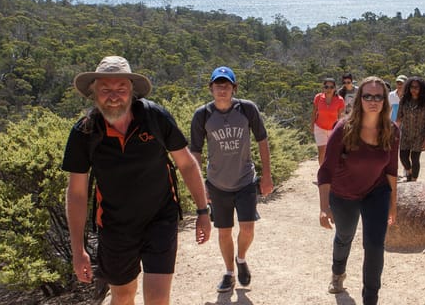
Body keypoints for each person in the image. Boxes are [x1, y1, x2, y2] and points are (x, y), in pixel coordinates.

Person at [62, 56, 212, 305]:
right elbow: (77, 193)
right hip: (114, 226)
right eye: (105, 89)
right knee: (122, 296)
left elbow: (186, 164)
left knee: (157, 298)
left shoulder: (154, 118)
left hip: (159, 219)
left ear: (131, 92)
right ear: (94, 93)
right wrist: (78, 250)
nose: (114, 96)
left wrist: (203, 211)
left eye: (121, 88)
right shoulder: (84, 133)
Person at [190, 66, 275, 293]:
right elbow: (195, 153)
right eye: (218, 85)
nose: (222, 89)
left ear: (233, 88)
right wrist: (200, 187)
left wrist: (267, 175)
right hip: (217, 184)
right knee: (224, 231)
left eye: (226, 85)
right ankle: (229, 273)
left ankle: (241, 258)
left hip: (245, 180)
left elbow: (262, 141)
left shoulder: (247, 109)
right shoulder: (203, 115)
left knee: (247, 229)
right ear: (211, 88)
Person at [318, 76, 399, 305]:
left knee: (374, 245)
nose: (373, 101)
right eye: (368, 96)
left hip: (377, 191)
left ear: (385, 100)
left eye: (378, 96)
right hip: (344, 193)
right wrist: (324, 207)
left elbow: (392, 170)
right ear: (359, 99)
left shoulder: (391, 130)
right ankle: (338, 272)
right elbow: (325, 171)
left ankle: (370, 299)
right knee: (345, 236)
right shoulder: (344, 128)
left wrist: (393, 204)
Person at [311, 78, 346, 166]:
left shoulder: (340, 100)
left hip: (333, 130)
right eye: (326, 87)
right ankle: (322, 174)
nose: (329, 89)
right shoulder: (318, 97)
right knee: (322, 152)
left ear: (335, 88)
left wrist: (342, 130)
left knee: (333, 152)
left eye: (331, 87)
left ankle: (332, 173)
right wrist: (312, 125)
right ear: (323, 88)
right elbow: (314, 112)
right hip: (319, 128)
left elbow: (341, 117)